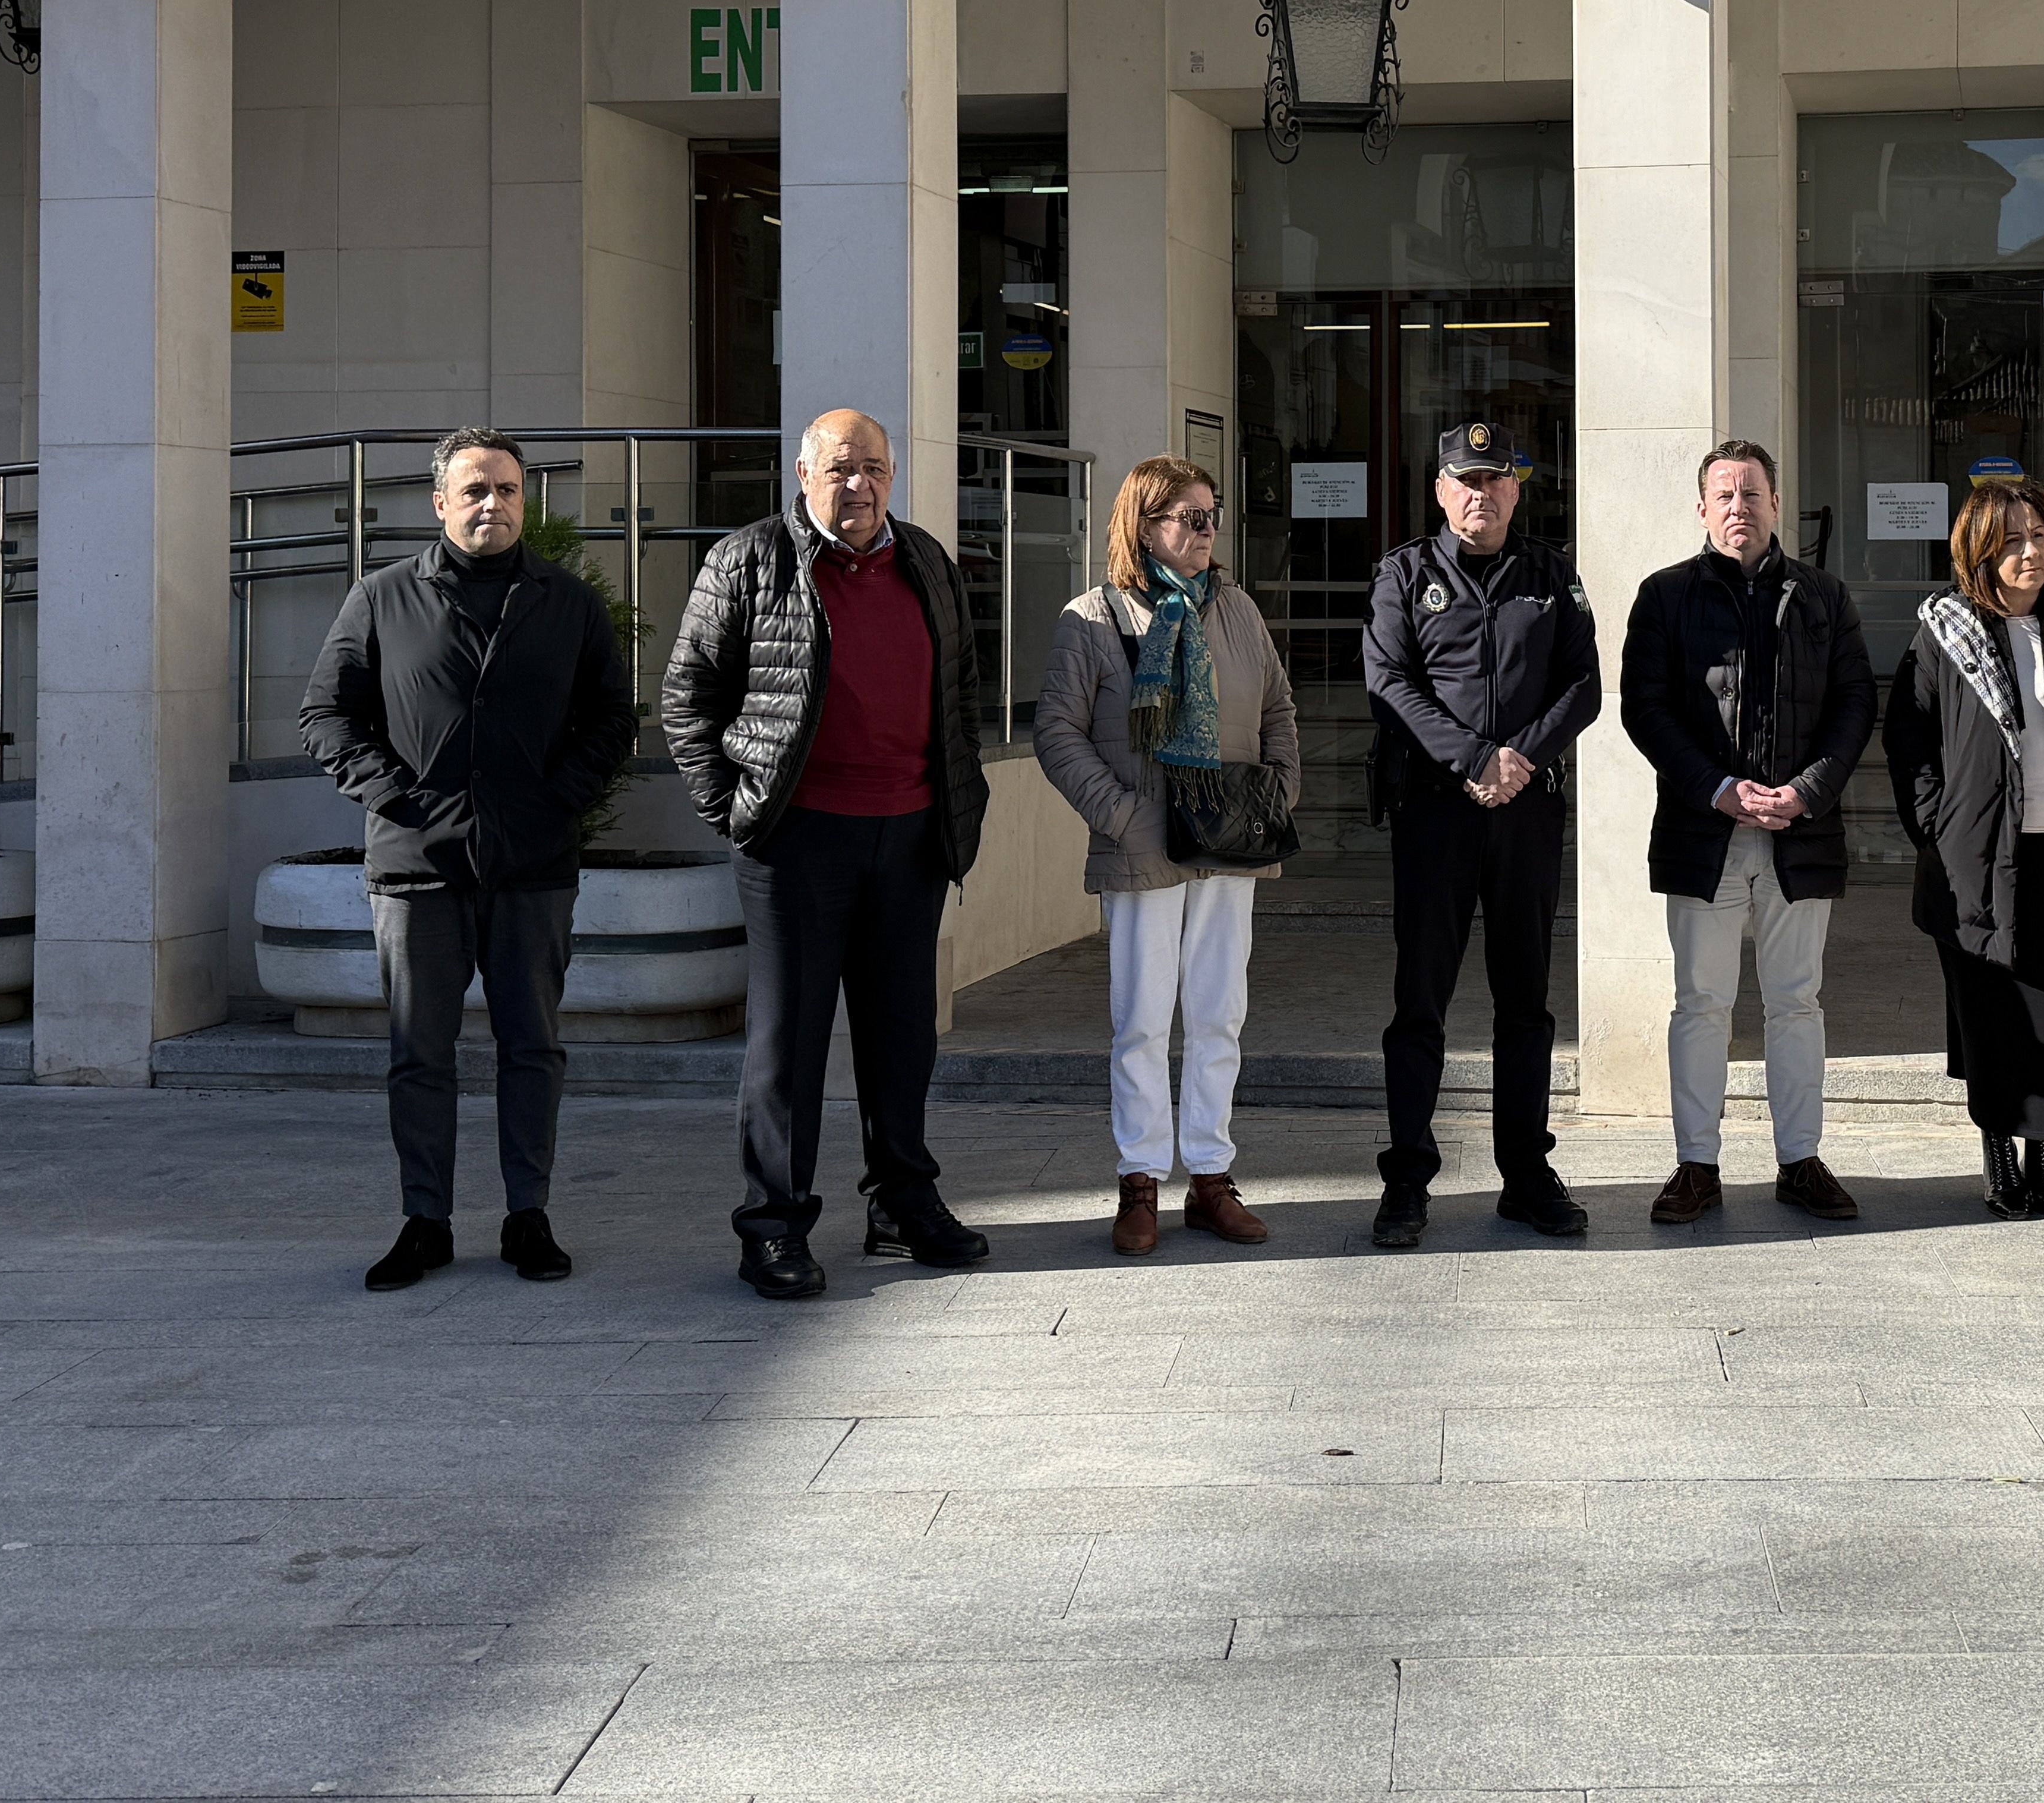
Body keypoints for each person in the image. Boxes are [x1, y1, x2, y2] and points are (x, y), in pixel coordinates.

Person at [658, 409, 993, 1301]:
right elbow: (686, 699)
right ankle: (773, 1226)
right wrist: (736, 814)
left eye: (875, 469)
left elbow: (959, 690)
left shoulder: (926, 561)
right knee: (788, 1047)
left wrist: (957, 806)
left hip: (912, 832)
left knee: (901, 1037)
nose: (860, 485)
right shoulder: (748, 561)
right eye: (841, 469)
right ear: (802, 475)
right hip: (797, 840)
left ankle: (903, 1204)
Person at [301, 427, 641, 1293]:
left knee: (533, 1047)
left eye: (509, 491)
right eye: (476, 490)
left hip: (532, 864)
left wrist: (555, 800)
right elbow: (327, 715)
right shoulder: (381, 600)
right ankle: (426, 1221)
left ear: (525, 502)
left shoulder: (565, 601)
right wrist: (400, 799)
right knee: (421, 1053)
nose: (493, 504)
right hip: (417, 869)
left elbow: (612, 718)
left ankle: (529, 1215)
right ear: (440, 503)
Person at [1034, 454, 1301, 1259]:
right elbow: (1057, 731)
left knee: (1220, 1013)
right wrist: (1118, 815)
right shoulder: (1094, 616)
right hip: (1143, 848)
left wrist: (1278, 793)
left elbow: (1279, 706)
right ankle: (1142, 1180)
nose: (1207, 529)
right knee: (1143, 1022)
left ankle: (1212, 1177)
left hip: (1229, 842)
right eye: (1190, 516)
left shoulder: (1237, 610)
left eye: (1212, 515)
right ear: (1143, 524)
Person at [1619, 439, 1878, 1225]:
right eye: (1724, 495)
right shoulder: (1664, 597)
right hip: (1706, 834)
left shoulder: (1824, 597)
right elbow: (1645, 708)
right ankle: (1697, 1164)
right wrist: (1720, 790)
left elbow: (1855, 703)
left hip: (1800, 834)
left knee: (1797, 1002)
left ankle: (1800, 1161)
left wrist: (1806, 792)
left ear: (1776, 504)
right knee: (1700, 1002)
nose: (1740, 507)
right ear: (1702, 508)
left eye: (1753, 494)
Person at [1362, 420, 1602, 1247]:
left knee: (1526, 1002)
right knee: (1419, 1001)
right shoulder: (1404, 574)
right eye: (1466, 480)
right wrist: (1473, 758)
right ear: (1440, 489)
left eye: (1497, 480)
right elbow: (1388, 682)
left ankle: (1525, 1173)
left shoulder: (1550, 574)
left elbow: (1584, 685)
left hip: (1527, 809)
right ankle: (1406, 1178)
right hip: (1435, 811)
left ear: (1517, 490)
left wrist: (1518, 760)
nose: (1481, 494)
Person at [1884, 475, 2044, 1219]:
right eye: (2010, 541)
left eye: (2038, 536)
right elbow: (1908, 736)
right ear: (1978, 550)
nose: (2029, 553)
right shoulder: (1946, 630)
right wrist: (1936, 822)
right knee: (1994, 1011)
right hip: (1977, 854)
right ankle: (2001, 1167)